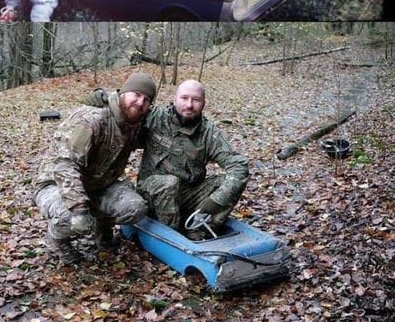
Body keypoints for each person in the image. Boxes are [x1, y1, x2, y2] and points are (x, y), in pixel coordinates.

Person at [33, 72, 156, 264]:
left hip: (99, 184)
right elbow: (64, 165)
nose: (140, 102)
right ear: (123, 92)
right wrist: (79, 208)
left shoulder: (135, 122)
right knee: (71, 217)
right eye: (136, 94)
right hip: (55, 184)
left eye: (146, 99)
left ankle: (102, 229)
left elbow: (169, 119)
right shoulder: (92, 119)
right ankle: (56, 239)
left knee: (135, 208)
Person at [137, 79, 249, 239]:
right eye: (184, 98)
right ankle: (173, 238)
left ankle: (197, 229)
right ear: (175, 99)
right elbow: (126, 110)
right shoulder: (154, 117)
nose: (189, 105)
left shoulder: (208, 133)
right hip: (151, 194)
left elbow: (238, 166)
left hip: (187, 195)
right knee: (169, 183)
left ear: (203, 103)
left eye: (196, 100)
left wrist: (216, 201)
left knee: (227, 182)